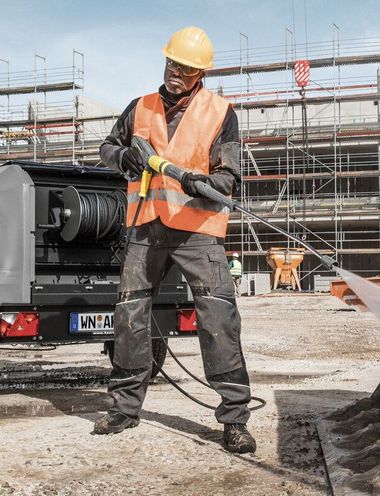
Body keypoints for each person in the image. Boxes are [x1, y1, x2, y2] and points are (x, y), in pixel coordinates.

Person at [93, 26, 256, 454]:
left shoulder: (220, 112)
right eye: (171, 63)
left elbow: (230, 174)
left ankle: (235, 418)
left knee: (218, 317)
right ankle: (125, 408)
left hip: (198, 230)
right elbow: (107, 147)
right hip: (146, 225)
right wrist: (124, 156)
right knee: (130, 315)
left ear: (200, 73)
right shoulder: (139, 107)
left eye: (184, 67)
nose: (174, 72)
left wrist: (209, 181)